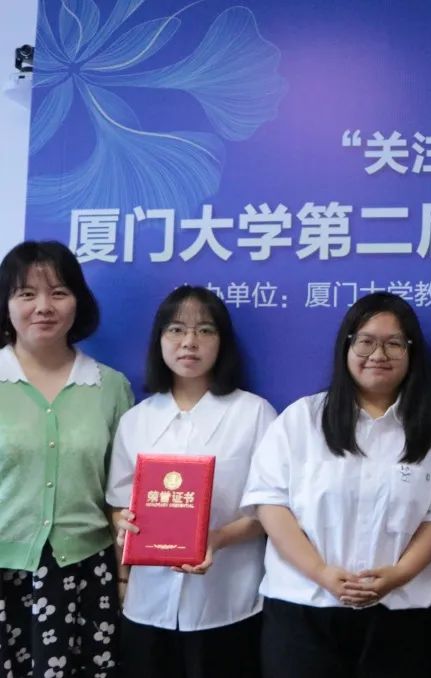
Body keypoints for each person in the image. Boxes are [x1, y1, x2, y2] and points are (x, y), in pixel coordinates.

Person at [242, 292, 431, 678]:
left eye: (394, 343)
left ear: (412, 352)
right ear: (346, 346)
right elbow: (270, 503)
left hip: (401, 611)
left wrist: (398, 575)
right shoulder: (302, 419)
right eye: (366, 341)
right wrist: (320, 571)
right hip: (303, 606)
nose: (379, 354)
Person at [107, 286, 276, 678]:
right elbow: (118, 504)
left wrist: (216, 539)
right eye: (176, 329)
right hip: (147, 602)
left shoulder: (254, 415)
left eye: (205, 330)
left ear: (222, 342)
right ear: (159, 340)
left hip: (228, 600)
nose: (189, 342)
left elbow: (271, 511)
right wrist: (122, 527)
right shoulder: (136, 420)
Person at [0, 241, 133, 677]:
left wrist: (124, 574)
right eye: (26, 294)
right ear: (6, 304)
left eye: (58, 292)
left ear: (79, 301)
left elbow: (122, 496)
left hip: (85, 574)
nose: (43, 307)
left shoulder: (111, 387)